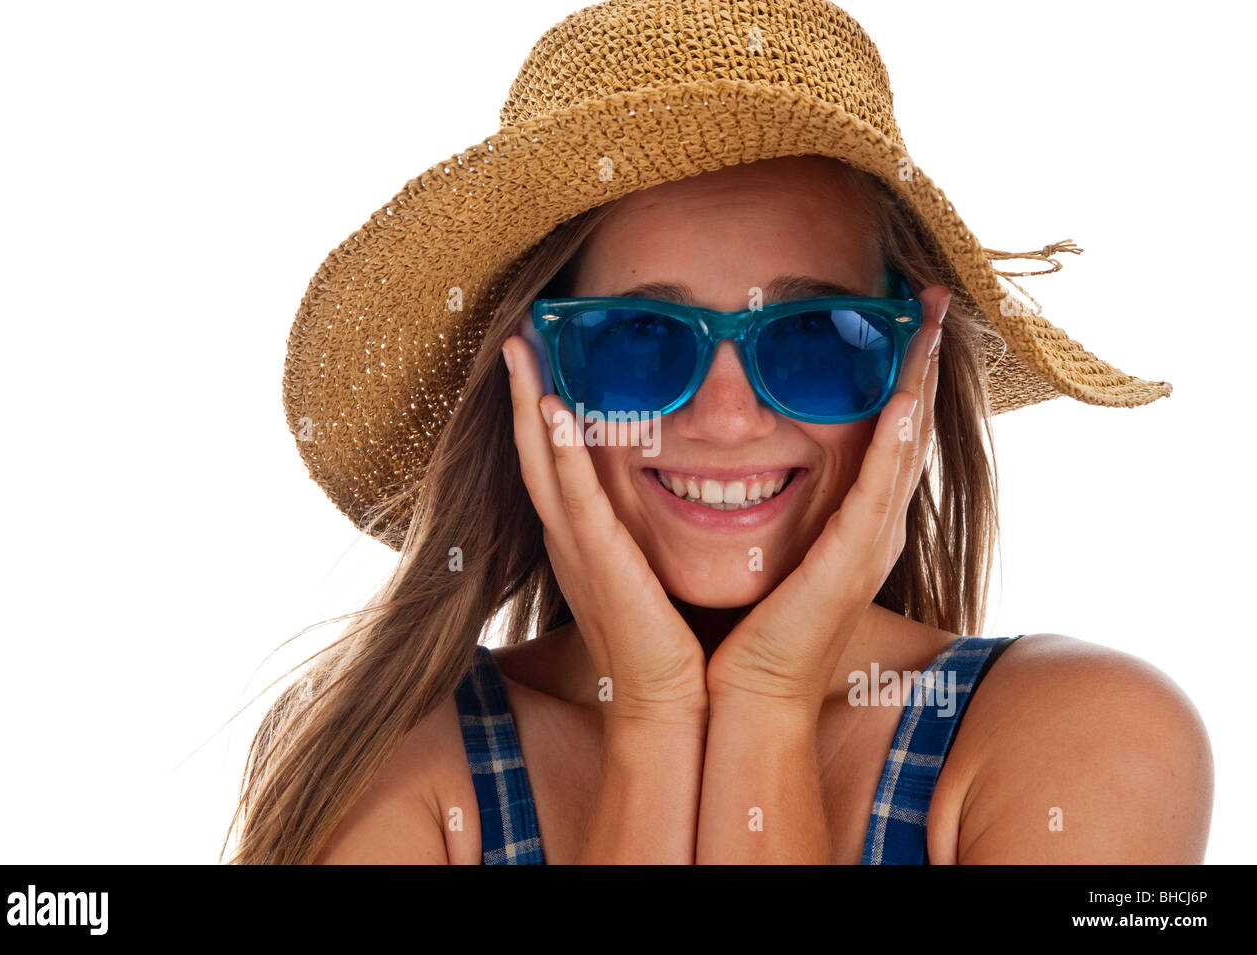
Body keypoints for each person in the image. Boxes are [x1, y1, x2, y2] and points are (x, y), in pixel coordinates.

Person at [224, 0, 1212, 864]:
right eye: (641, 340)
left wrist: (769, 706)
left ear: (910, 375)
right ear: (532, 383)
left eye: (818, 336)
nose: (730, 416)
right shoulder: (382, 753)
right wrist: (653, 722)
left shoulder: (1088, 738)